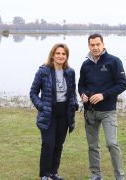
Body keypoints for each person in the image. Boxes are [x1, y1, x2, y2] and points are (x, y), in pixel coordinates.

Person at [78, 33, 126, 180]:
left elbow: (123, 84)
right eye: (92, 45)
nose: (95, 47)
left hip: (108, 111)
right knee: (93, 146)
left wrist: (103, 95)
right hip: (90, 112)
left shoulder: (114, 61)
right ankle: (96, 175)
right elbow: (81, 84)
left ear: (103, 44)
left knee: (112, 144)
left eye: (97, 44)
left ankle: (120, 176)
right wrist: (82, 94)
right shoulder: (85, 64)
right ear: (89, 46)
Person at [30, 43, 79, 180]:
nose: (60, 56)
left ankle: (53, 172)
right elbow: (33, 93)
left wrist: (74, 103)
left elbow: (72, 92)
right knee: (48, 144)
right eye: (58, 53)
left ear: (66, 56)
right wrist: (42, 106)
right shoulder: (43, 71)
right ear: (52, 55)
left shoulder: (70, 72)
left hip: (64, 113)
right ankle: (44, 174)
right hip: (48, 113)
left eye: (64, 54)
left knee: (58, 144)